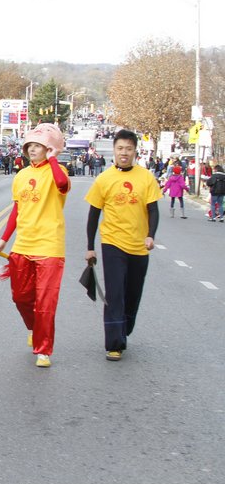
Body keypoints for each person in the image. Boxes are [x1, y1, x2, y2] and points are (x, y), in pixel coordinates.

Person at [0, 123, 70, 369]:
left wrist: (54, 160)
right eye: (30, 146)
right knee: (20, 297)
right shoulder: (22, 175)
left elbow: (62, 186)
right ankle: (34, 328)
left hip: (49, 247)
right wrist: (4, 238)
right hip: (23, 245)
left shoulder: (59, 171)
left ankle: (43, 349)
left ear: (50, 149)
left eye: (39, 146)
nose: (33, 150)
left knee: (45, 303)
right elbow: (17, 209)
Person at [84, 129, 161, 361]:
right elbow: (93, 215)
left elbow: (153, 210)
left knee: (132, 294)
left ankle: (123, 329)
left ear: (135, 151)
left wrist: (150, 235)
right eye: (120, 149)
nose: (124, 153)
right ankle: (113, 344)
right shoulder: (104, 179)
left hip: (139, 246)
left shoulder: (146, 177)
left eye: (128, 149)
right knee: (115, 293)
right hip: (112, 243)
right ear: (114, 150)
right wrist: (90, 246)